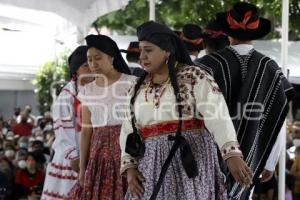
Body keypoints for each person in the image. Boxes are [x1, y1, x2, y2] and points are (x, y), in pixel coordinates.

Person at [120, 21, 252, 200]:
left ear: (167, 50)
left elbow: (217, 115)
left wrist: (231, 153)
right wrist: (130, 167)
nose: (142, 56)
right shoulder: (136, 87)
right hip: (150, 166)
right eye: (141, 50)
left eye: (148, 50)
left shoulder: (194, 76)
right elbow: (128, 128)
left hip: (190, 160)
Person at [195, 2, 295, 199]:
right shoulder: (271, 69)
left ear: (227, 32)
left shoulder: (205, 65)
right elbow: (278, 116)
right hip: (252, 156)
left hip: (206, 159)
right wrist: (269, 160)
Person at [68, 34, 136, 200]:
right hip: (98, 157)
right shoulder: (87, 90)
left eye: (97, 58)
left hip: (128, 151)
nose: (93, 64)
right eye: (89, 60)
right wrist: (83, 168)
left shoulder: (132, 83)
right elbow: (86, 131)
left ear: (111, 57)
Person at [41, 46, 93, 199]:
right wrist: (73, 156)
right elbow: (63, 129)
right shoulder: (67, 95)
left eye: (91, 62)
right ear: (75, 71)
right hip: (71, 156)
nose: (90, 68)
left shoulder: (97, 90)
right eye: (85, 65)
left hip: (90, 153)